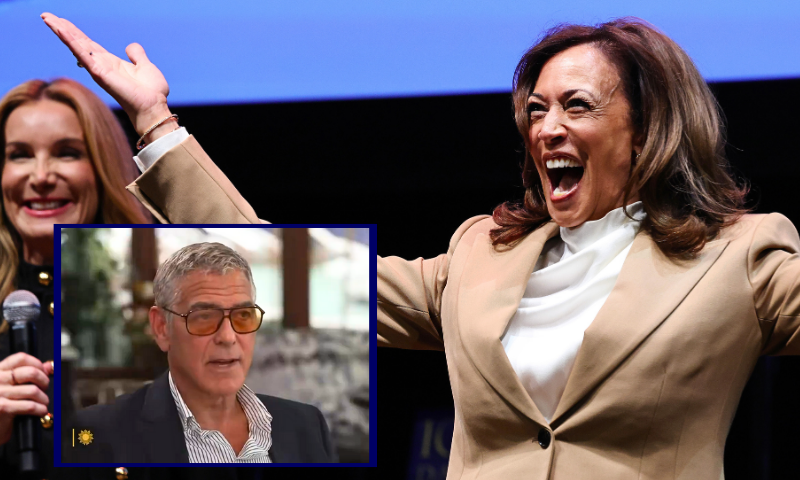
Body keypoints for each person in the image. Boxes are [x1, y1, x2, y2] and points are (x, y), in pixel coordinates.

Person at [41, 12, 799, 479]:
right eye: (535, 110)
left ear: (649, 127)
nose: (547, 129)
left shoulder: (738, 256)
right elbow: (291, 273)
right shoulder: (480, 255)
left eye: (577, 106)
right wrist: (157, 125)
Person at [0, 77, 151, 479]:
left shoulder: (149, 298)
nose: (41, 176)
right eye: (19, 155)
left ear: (102, 168)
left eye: (67, 153)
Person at [63, 242, 337, 464]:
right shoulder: (97, 434)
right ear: (161, 328)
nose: (228, 337)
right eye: (204, 317)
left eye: (243, 315)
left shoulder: (307, 426)